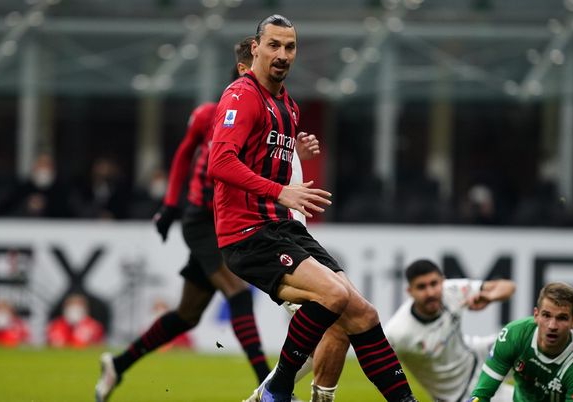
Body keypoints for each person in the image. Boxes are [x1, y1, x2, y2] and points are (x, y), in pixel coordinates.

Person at [208, 15, 416, 402]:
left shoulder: (287, 105)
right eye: (273, 45)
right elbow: (219, 163)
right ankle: (278, 388)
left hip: (283, 229)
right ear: (255, 48)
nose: (282, 54)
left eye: (290, 47)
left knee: (363, 314)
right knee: (333, 297)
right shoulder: (241, 94)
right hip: (249, 235)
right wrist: (280, 192)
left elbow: (263, 158)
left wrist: (292, 155)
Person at [94, 37, 276, 402]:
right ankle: (269, 389)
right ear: (242, 72)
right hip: (201, 221)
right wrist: (170, 206)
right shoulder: (212, 114)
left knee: (187, 314)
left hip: (230, 220)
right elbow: (183, 153)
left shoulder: (265, 117)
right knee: (238, 293)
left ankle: (118, 365)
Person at [384, 259, 516, 401]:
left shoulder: (452, 290)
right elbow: (380, 367)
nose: (430, 293)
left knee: (522, 340)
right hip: (457, 395)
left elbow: (508, 287)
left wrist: (490, 296)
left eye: (434, 284)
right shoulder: (398, 332)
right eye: (421, 287)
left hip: (478, 356)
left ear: (442, 281)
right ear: (410, 291)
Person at [469, 282, 573, 402]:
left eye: (562, 318)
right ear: (536, 315)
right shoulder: (514, 335)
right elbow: (481, 394)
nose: (552, 326)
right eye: (546, 315)